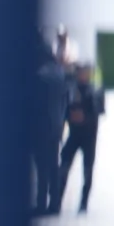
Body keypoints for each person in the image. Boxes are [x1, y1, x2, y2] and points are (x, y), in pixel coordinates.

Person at [54, 60, 104, 213]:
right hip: (74, 135)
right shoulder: (71, 89)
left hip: (89, 137)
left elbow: (99, 111)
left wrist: (85, 117)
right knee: (64, 167)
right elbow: (64, 112)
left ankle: (83, 204)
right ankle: (56, 202)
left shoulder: (94, 90)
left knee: (87, 171)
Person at [33, 39, 70, 216]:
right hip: (56, 125)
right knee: (53, 165)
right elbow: (66, 101)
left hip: (40, 126)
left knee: (41, 167)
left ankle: (41, 203)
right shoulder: (60, 74)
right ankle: (55, 203)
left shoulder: (39, 75)